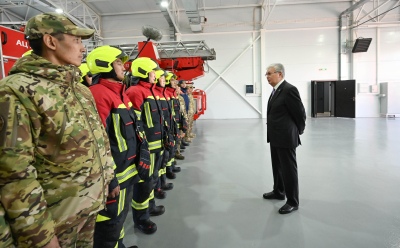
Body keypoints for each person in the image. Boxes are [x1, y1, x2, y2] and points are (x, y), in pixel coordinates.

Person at [0, 12, 115, 247]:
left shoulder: (80, 90)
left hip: (88, 207)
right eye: (77, 40)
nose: (83, 48)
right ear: (51, 41)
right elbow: (15, 175)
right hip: (55, 223)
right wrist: (40, 238)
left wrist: (109, 178)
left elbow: (99, 139)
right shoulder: (15, 92)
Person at [87, 46, 143, 248]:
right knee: (108, 223)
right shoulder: (98, 94)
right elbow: (97, 141)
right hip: (114, 174)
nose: (123, 66)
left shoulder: (120, 93)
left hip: (126, 171)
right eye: (118, 62)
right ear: (104, 65)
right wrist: (109, 179)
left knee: (120, 216)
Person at [125, 57, 165, 234]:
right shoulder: (136, 91)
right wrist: (142, 149)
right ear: (142, 73)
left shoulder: (151, 91)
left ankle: (150, 206)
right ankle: (141, 219)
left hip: (157, 146)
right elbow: (136, 123)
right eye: (151, 72)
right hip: (147, 148)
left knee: (151, 179)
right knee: (143, 184)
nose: (154, 75)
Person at [263, 63, 306, 214]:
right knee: (277, 167)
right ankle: (279, 191)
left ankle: (293, 201)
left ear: (280, 74)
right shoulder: (276, 91)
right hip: (275, 136)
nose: (267, 76)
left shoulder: (289, 90)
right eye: (266, 74)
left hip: (286, 137)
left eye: (270, 73)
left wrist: (298, 131)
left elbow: (300, 113)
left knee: (289, 170)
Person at [164, 72, 181, 176]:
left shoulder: (173, 93)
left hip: (174, 124)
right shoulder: (167, 93)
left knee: (173, 146)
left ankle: (171, 165)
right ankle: (168, 169)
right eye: (172, 80)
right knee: (169, 148)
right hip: (169, 125)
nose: (174, 82)